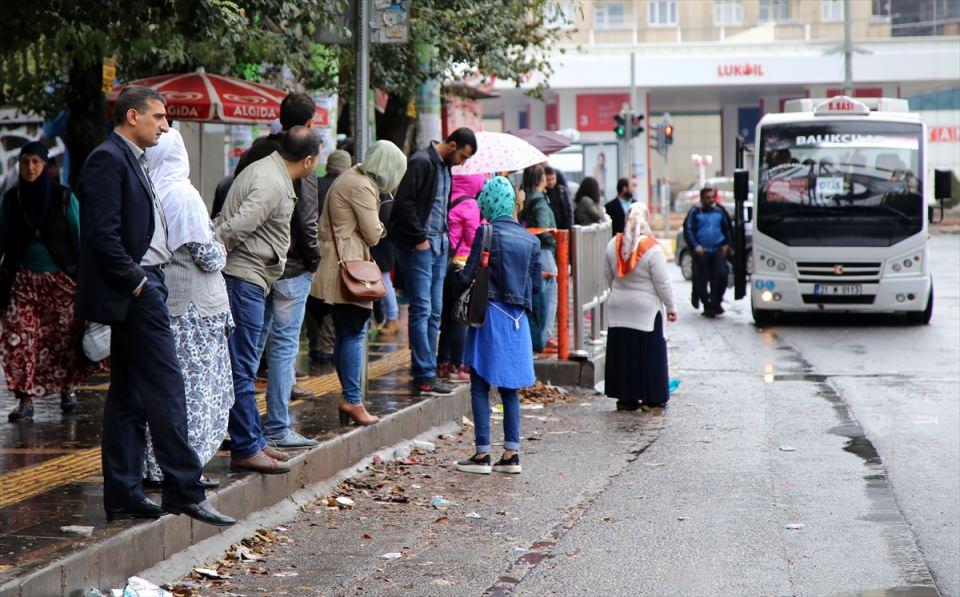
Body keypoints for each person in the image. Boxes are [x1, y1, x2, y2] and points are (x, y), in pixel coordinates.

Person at [76, 85, 234, 526]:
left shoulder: (136, 159)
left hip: (147, 284)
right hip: (140, 289)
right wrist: (139, 282)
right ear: (132, 116)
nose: (165, 126)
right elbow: (101, 236)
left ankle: (124, 493)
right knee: (167, 389)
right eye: (159, 117)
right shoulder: (108, 158)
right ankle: (184, 488)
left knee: (128, 395)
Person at [214, 126, 319, 474]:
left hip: (251, 277)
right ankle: (246, 447)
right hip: (244, 279)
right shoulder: (272, 182)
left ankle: (254, 440)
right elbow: (237, 226)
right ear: (307, 160)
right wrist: (215, 250)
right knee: (242, 368)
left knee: (243, 365)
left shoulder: (265, 169)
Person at [142, 128, 233, 489]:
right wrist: (222, 247)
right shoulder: (184, 194)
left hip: (166, 301)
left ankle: (156, 463)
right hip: (197, 307)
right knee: (196, 389)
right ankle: (186, 466)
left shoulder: (150, 189)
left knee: (165, 388)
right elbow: (207, 255)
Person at [235, 93, 323, 450]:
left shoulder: (256, 151)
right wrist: (314, 259)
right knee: (284, 346)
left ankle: (239, 424)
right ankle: (277, 425)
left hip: (252, 264)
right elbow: (307, 219)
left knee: (250, 347)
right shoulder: (304, 153)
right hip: (290, 267)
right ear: (310, 122)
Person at [310, 140, 407, 426]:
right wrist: (381, 222)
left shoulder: (351, 177)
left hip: (337, 264)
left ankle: (350, 398)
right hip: (350, 269)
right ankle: (352, 400)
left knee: (345, 333)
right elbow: (374, 233)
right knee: (353, 333)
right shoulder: (362, 186)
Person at [1, 142, 94, 422]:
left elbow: (79, 238)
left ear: (47, 166)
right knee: (20, 339)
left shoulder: (64, 198)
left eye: (36, 162)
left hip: (60, 282)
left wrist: (87, 278)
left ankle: (67, 389)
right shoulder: (11, 200)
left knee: (63, 338)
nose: (30, 168)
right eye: (25, 162)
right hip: (21, 282)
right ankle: (25, 400)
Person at [455, 176, 541, 475]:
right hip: (517, 321)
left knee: (479, 384)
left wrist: (459, 270)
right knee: (510, 389)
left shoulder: (486, 232)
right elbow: (537, 290)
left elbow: (467, 277)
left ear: (489, 202)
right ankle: (511, 454)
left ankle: (481, 455)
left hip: (489, 315)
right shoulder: (532, 240)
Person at [389, 127, 476, 397]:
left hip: (440, 247)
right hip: (421, 246)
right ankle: (423, 375)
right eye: (462, 155)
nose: (462, 162)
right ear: (451, 145)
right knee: (422, 309)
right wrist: (419, 238)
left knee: (435, 311)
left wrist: (446, 242)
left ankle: (430, 370)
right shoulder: (421, 162)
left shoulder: (444, 168)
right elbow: (404, 204)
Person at [604, 203, 678, 411]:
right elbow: (662, 283)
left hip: (618, 308)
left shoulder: (613, 244)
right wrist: (671, 307)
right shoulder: (653, 249)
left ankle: (625, 397)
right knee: (649, 355)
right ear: (646, 220)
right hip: (645, 311)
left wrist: (619, 291)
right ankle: (652, 398)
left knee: (624, 355)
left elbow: (607, 276)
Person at [305, 150, 352, 371]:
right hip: (335, 253)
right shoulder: (345, 188)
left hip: (310, 250)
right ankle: (326, 347)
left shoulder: (315, 184)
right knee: (332, 299)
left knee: (312, 300)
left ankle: (314, 346)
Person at [437, 173, 485, 383]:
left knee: (447, 318)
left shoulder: (448, 200)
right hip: (463, 267)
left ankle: (443, 364)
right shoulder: (470, 205)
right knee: (461, 318)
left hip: (446, 267)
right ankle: (458, 366)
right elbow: (474, 239)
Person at [522, 165, 558, 354]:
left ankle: (540, 335)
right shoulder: (540, 201)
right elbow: (544, 227)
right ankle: (544, 336)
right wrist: (556, 241)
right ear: (539, 179)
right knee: (549, 295)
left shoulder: (527, 199)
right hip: (544, 251)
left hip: (534, 250)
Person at [682, 186, 732, 318]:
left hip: (717, 250)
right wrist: (695, 246)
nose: (710, 200)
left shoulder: (720, 212)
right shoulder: (695, 212)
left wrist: (727, 245)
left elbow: (728, 229)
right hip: (702, 252)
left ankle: (716, 302)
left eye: (712, 197)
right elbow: (688, 230)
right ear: (702, 198)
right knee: (701, 279)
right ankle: (707, 304)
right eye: (707, 198)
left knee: (721, 275)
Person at [371, 192, 400, 336]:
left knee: (384, 279)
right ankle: (389, 317)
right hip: (386, 246)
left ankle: (392, 318)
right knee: (384, 279)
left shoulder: (384, 198)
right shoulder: (388, 197)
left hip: (382, 246)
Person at [544, 166, 573, 232]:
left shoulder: (562, 191)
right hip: (549, 229)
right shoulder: (542, 193)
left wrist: (568, 229)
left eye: (553, 179)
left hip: (563, 229)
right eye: (548, 179)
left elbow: (569, 211)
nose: (551, 182)